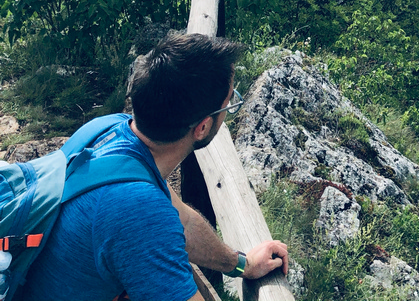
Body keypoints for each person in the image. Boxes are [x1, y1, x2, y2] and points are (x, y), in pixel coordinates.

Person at [19, 34, 288, 301]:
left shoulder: (108, 129)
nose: (229, 108)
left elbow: (185, 223)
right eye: (229, 103)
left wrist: (244, 264)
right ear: (203, 127)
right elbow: (147, 219)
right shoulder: (137, 209)